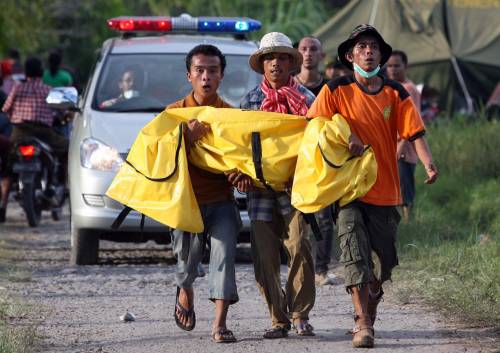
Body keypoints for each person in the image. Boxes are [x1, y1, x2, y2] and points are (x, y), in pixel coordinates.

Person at [307, 24, 438, 348]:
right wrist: (345, 135)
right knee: (354, 255)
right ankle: (363, 322)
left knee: (386, 261)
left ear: (380, 54)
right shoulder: (335, 89)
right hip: (349, 190)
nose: (368, 51)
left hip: (386, 190)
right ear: (350, 55)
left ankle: (373, 296)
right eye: (362, 47)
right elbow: (315, 124)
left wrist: (428, 162)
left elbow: (414, 133)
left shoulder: (396, 92)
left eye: (373, 47)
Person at [239, 32, 316, 339]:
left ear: (290, 63)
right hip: (259, 191)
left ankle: (300, 314)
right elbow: (239, 147)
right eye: (269, 58)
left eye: (282, 57)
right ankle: (277, 318)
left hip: (296, 189)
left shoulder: (308, 100)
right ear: (262, 64)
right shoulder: (249, 102)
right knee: (265, 256)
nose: (275, 64)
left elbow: (316, 146)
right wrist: (239, 173)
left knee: (299, 246)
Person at [166, 44, 241, 343]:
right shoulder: (173, 114)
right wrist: (185, 137)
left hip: (222, 200)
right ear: (189, 76)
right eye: (200, 70)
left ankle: (219, 324)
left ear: (222, 76)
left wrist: (241, 176)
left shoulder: (232, 116)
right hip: (186, 202)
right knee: (186, 265)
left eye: (212, 70)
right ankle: (185, 289)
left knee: (224, 258)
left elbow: (242, 158)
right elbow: (158, 157)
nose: (206, 76)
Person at [295, 36, 337, 285]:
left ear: (322, 56)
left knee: (324, 218)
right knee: (297, 218)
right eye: (304, 49)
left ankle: (321, 270)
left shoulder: (331, 88)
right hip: (296, 161)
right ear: (297, 55)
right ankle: (298, 268)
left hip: (324, 160)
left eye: (314, 49)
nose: (308, 53)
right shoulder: (288, 87)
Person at [2, 57, 69, 186]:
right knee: (68, 148)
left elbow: (6, 109)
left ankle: (9, 186)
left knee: (9, 157)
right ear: (41, 72)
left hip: (19, 132)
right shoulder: (48, 89)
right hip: (43, 134)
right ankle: (64, 183)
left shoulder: (17, 88)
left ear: (26, 72)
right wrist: (65, 115)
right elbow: (62, 113)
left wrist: (13, 116)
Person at [386, 50, 421, 223]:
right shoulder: (390, 88)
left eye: (396, 65)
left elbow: (411, 122)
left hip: (404, 150)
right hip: (391, 147)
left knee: (405, 188)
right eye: (389, 66)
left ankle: (409, 222)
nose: (392, 69)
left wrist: (401, 146)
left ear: (405, 66)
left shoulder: (408, 89)